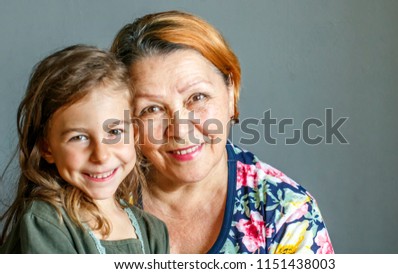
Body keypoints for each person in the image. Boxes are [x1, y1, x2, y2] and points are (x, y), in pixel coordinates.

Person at [111, 10, 334, 254]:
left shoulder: (286, 212)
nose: (181, 130)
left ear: (231, 94)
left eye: (197, 97)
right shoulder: (95, 200)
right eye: (152, 109)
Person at [0, 45, 169, 254]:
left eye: (114, 132)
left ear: (134, 134)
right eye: (79, 137)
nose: (101, 155)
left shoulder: (153, 231)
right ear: (47, 148)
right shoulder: (47, 222)